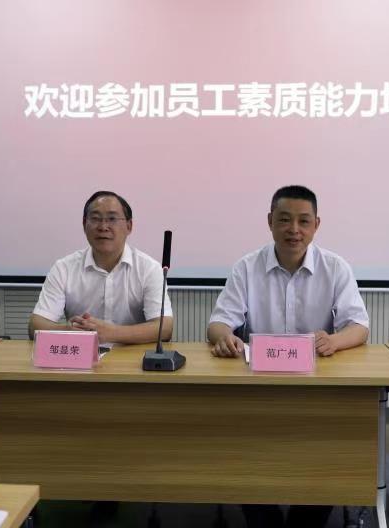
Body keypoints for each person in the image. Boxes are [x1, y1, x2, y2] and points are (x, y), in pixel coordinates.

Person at [207, 185, 369, 528]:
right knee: (243, 447)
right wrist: (224, 337)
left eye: (303, 221)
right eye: (284, 220)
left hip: (318, 389)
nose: (293, 229)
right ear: (270, 222)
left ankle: (307, 516)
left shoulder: (335, 267)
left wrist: (335, 341)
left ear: (316, 225)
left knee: (329, 448)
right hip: (258, 388)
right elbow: (219, 322)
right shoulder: (247, 267)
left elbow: (359, 326)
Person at [29, 190, 173, 344]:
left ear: (129, 226)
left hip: (132, 357)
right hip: (80, 355)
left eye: (112, 219)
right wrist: (69, 331)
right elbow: (35, 325)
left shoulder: (149, 269)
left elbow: (165, 328)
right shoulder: (64, 268)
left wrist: (112, 333)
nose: (103, 227)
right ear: (84, 225)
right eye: (95, 218)